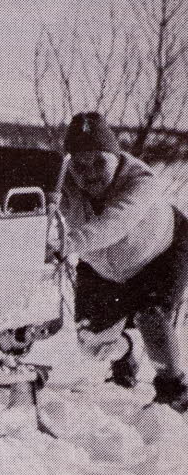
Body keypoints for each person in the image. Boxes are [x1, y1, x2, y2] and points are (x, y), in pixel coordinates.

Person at [61, 111, 188, 410]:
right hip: (101, 263)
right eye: (79, 165)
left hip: (161, 251)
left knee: (151, 316)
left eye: (99, 162)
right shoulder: (64, 183)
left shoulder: (141, 181)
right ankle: (126, 351)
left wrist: (67, 244)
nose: (89, 172)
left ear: (115, 157)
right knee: (91, 340)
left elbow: (115, 223)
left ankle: (173, 390)